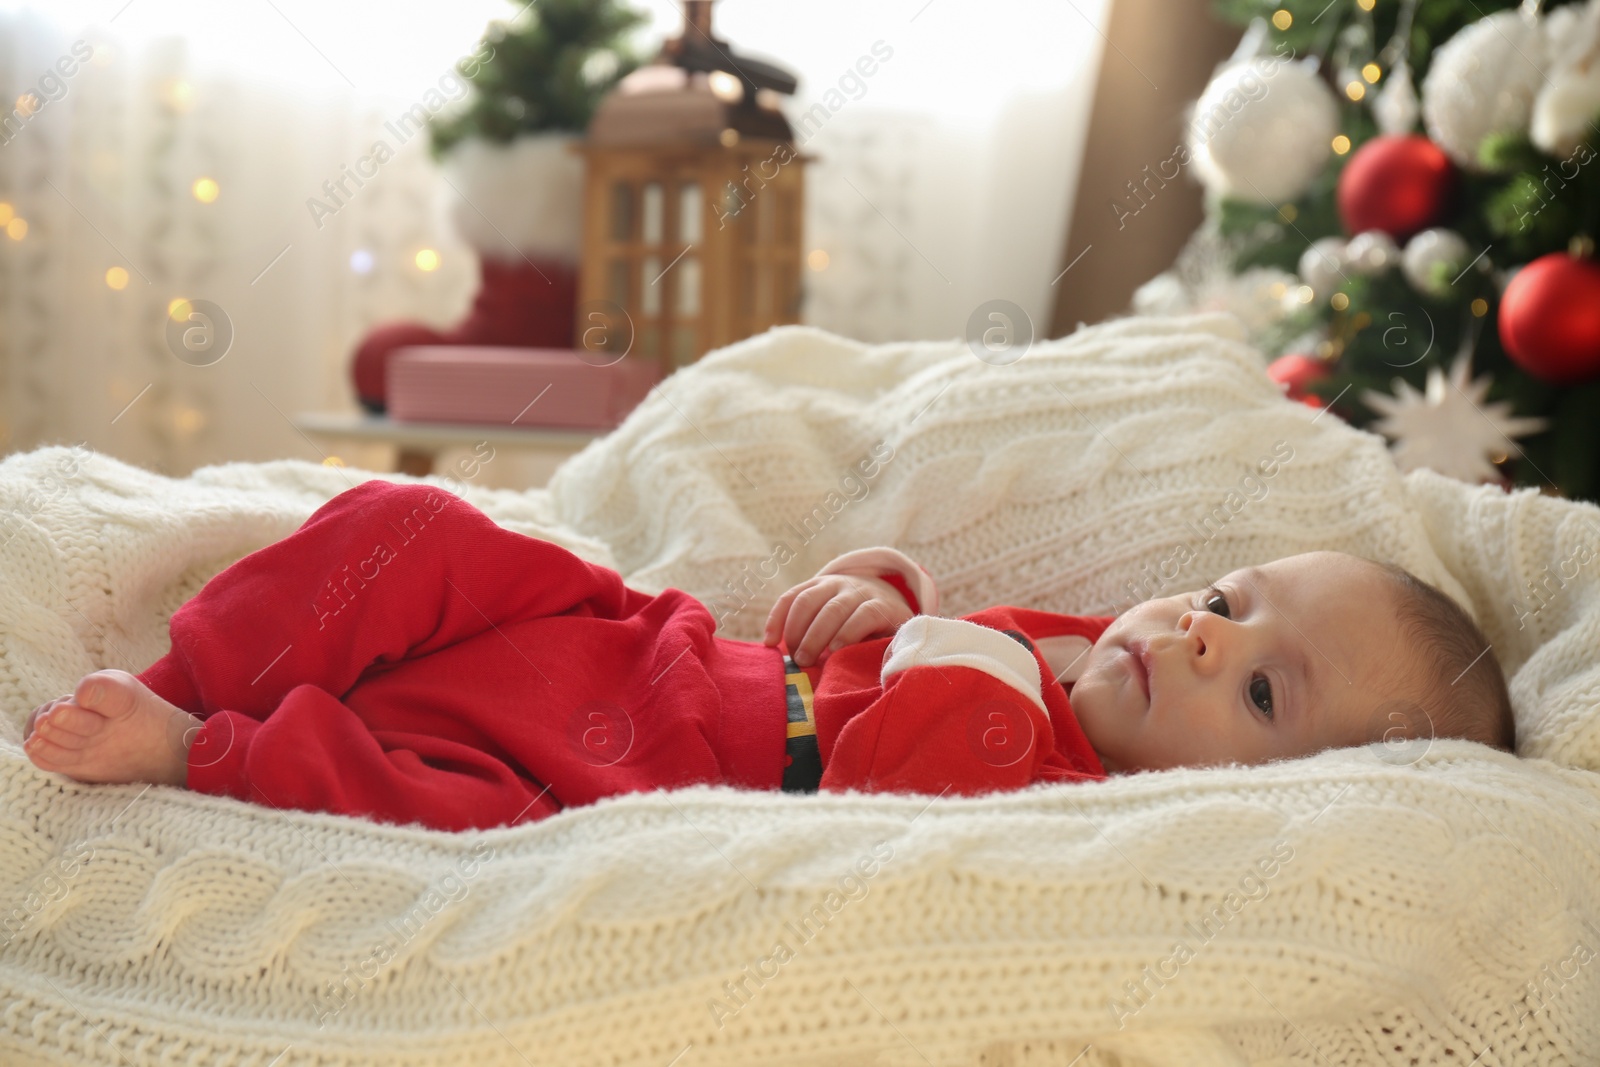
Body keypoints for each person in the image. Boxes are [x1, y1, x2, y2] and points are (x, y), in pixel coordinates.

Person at [21, 480, 1516, 832]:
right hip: (636, 646)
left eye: (1259, 689)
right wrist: (873, 588)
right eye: (1223, 596)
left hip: (624, 769)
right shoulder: (1078, 662)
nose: (1194, 633)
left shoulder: (1067, 797)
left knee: (440, 811)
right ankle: (189, 676)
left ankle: (202, 755)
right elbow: (939, 628)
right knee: (418, 527)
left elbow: (905, 760)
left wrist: (927, 658)